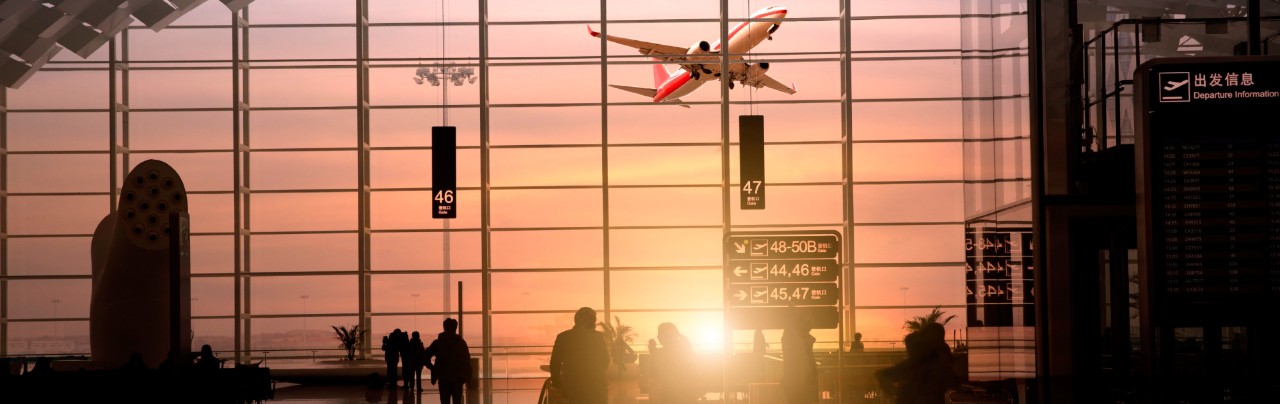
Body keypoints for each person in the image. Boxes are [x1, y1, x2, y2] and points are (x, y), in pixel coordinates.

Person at [874, 325, 960, 404]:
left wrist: (894, 391)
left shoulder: (913, 364)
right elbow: (955, 383)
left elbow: (881, 374)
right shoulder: (937, 362)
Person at [549, 307, 609, 404]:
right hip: (595, 386)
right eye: (592, 320)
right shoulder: (598, 337)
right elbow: (605, 360)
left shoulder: (563, 337)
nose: (594, 323)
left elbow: (555, 362)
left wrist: (557, 384)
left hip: (572, 387)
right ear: (584, 320)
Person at [647, 322, 699, 404]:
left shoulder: (658, 354)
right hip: (687, 394)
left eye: (660, 334)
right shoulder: (686, 351)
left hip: (668, 395)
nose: (657, 337)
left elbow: (654, 377)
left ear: (667, 336)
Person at [425, 318, 472, 404]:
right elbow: (466, 360)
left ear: (444, 327)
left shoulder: (438, 342)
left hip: (443, 377)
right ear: (455, 328)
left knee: (444, 401)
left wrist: (434, 368)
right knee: (457, 401)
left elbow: (425, 356)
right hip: (457, 378)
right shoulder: (461, 343)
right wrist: (468, 376)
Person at [781, 314, 818, 404]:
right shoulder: (796, 342)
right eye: (808, 324)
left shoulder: (791, 340)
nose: (810, 326)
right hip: (802, 379)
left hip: (799, 379)